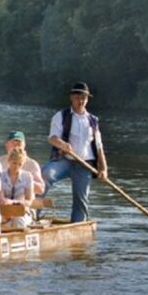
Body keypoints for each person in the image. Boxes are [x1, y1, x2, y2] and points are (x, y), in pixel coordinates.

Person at [41, 81, 108, 223]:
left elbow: (99, 146)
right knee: (45, 174)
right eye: (78, 98)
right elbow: (52, 138)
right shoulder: (61, 116)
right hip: (64, 160)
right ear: (71, 98)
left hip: (84, 164)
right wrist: (62, 144)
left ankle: (78, 225)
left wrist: (103, 168)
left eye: (84, 98)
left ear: (87, 99)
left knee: (81, 200)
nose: (81, 101)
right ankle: (32, 213)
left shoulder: (93, 121)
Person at [0, 131, 45, 195]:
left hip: (24, 198)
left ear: (24, 145)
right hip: (2, 197)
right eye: (13, 143)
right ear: (6, 145)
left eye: (19, 143)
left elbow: (41, 189)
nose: (16, 146)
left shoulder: (32, 164)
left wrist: (23, 180)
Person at [0, 147, 34, 229]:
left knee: (18, 220)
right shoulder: (0, 176)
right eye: (14, 163)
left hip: (22, 211)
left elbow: (29, 200)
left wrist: (15, 202)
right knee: (3, 222)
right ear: (9, 161)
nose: (17, 166)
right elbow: (1, 199)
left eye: (20, 164)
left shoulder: (27, 176)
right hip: (4, 210)